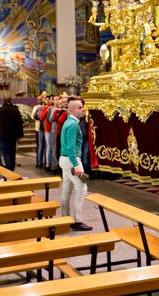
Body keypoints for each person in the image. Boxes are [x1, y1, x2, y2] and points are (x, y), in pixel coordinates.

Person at [59, 98, 92, 231]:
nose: (82, 109)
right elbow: (71, 147)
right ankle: (77, 221)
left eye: (82, 107)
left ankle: (65, 218)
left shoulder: (68, 122)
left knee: (67, 190)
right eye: (79, 107)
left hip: (64, 159)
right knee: (82, 189)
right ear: (72, 110)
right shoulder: (73, 124)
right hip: (71, 160)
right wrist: (76, 165)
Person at [0, 97, 24, 171]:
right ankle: (12, 168)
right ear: (10, 101)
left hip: (4, 134)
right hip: (14, 135)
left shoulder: (0, 110)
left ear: (3, 101)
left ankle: (9, 169)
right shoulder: (15, 110)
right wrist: (20, 135)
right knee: (12, 151)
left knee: (6, 152)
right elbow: (20, 123)